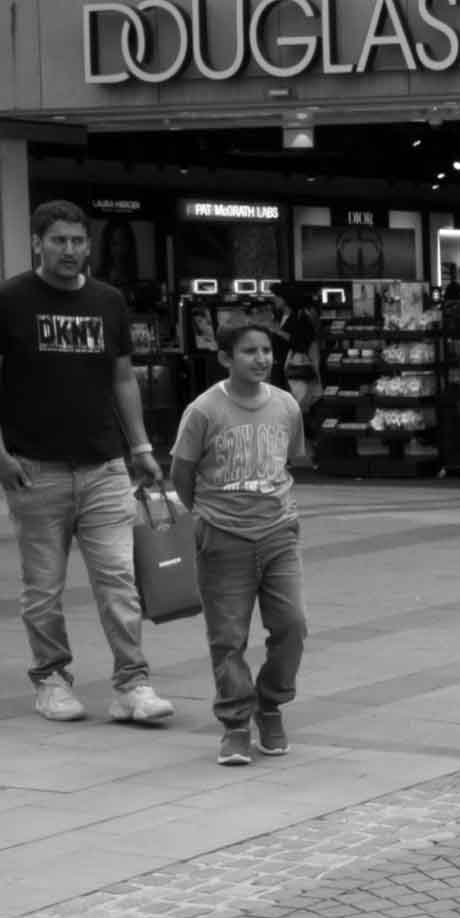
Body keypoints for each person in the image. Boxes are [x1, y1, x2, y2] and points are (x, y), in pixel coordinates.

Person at [0, 199, 174, 724]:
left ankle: (133, 684)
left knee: (119, 581)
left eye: (78, 241)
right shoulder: (6, 301)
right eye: (58, 239)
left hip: (104, 466)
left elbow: (123, 378)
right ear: (38, 241)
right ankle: (52, 679)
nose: (69, 250)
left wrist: (142, 447)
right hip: (34, 467)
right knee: (43, 587)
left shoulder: (108, 301)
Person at [169, 324, 308, 767]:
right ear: (226, 358)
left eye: (267, 350)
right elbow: (181, 472)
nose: (262, 359)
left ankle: (270, 704)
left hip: (278, 532)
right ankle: (234, 723)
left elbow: (290, 458)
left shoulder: (286, 405)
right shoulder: (203, 410)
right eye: (250, 351)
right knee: (227, 637)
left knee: (291, 625)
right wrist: (206, 518)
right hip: (222, 536)